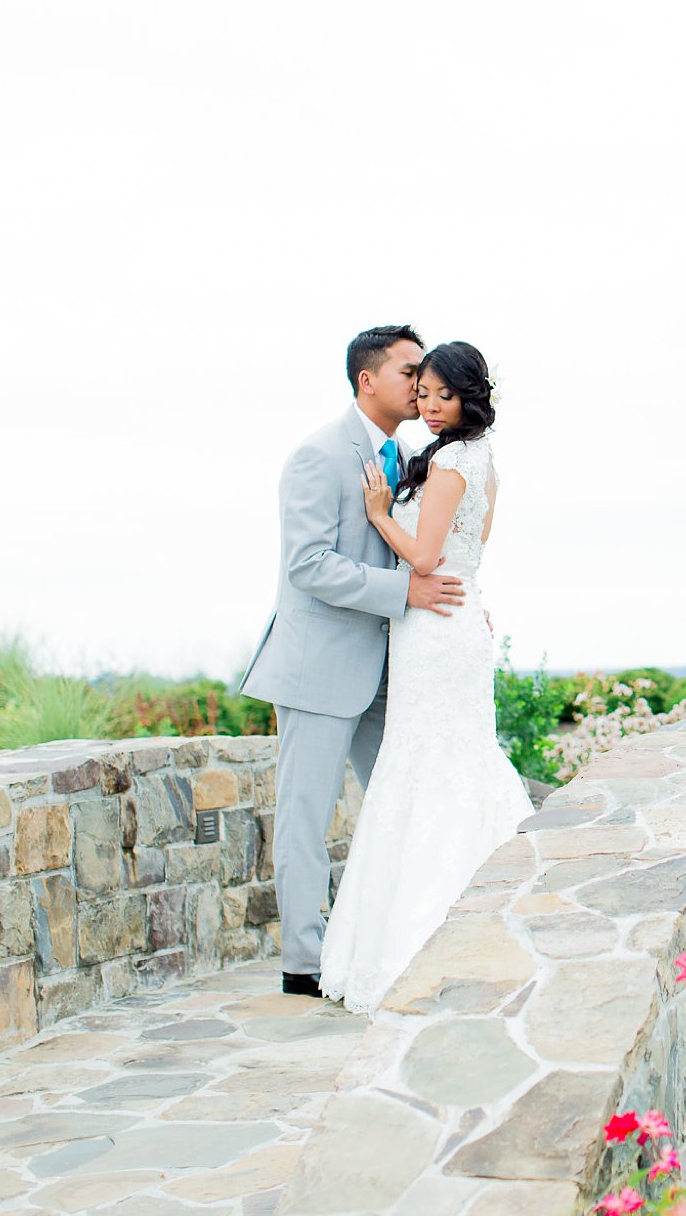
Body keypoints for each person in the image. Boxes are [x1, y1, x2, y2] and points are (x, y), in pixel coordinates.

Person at [239, 325, 467, 998]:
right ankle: (303, 963)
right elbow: (308, 566)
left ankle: (384, 937)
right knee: (306, 817)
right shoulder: (317, 455)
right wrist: (407, 591)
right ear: (367, 380)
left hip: (389, 666)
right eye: (408, 370)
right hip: (319, 670)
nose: (420, 383)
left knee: (405, 798)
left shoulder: (405, 455)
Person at [317, 339, 534, 1013]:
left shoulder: (452, 464)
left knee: (430, 762)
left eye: (445, 394)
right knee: (448, 760)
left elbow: (427, 555)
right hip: (452, 621)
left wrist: (381, 514)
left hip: (434, 629)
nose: (432, 405)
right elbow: (472, 553)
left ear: (472, 395)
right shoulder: (478, 459)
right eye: (426, 393)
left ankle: (423, 938)